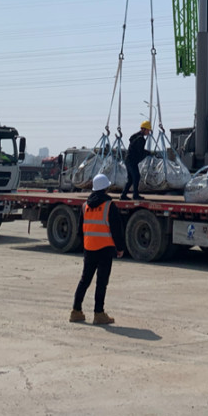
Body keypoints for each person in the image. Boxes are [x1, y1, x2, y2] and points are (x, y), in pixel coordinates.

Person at [70, 173, 125, 325]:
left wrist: (86, 244)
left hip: (89, 248)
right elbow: (116, 229)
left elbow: (80, 231)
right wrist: (120, 248)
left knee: (84, 280)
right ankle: (98, 314)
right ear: (106, 188)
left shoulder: (85, 206)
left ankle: (76, 311)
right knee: (101, 282)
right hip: (105, 248)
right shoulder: (109, 206)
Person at [120, 119, 152, 201]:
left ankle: (123, 195)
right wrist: (149, 153)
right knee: (136, 177)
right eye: (148, 130)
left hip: (128, 160)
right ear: (143, 129)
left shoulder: (135, 136)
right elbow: (140, 151)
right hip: (132, 161)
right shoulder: (141, 139)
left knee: (131, 179)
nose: (149, 132)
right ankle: (135, 195)